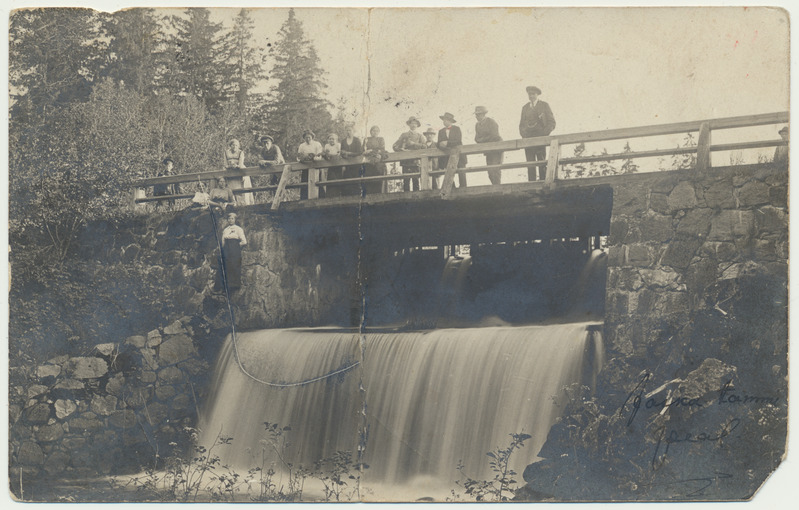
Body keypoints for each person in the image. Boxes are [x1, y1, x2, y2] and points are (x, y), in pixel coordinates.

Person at [519, 86, 556, 181]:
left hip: (540, 139)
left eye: (533, 94)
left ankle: (543, 182)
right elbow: (521, 125)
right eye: (529, 94)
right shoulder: (525, 108)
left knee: (541, 162)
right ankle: (531, 184)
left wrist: (544, 135)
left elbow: (552, 122)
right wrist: (524, 135)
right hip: (528, 140)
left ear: (537, 95)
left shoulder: (544, 105)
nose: (531, 96)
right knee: (530, 164)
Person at [393, 116, 427, 192]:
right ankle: (406, 199)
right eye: (412, 123)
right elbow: (394, 146)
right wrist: (400, 149)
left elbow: (425, 146)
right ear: (409, 124)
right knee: (406, 181)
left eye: (415, 123)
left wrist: (414, 144)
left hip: (416, 161)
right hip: (406, 161)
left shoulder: (420, 136)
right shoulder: (404, 135)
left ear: (417, 125)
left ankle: (417, 197)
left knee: (416, 181)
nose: (413, 125)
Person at [217, 212, 247, 292]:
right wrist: (224, 249)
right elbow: (223, 242)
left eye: (232, 218)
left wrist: (236, 246)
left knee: (234, 265)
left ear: (235, 220)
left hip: (235, 250)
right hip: (226, 250)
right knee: (226, 266)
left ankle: (234, 286)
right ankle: (225, 286)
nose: (230, 220)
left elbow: (244, 242)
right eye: (229, 218)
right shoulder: (225, 230)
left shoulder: (238, 229)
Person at [474, 106, 504, 185]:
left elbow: (494, 136)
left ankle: (498, 189)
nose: (477, 116)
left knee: (495, 170)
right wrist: (484, 139)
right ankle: (494, 187)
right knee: (490, 172)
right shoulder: (477, 125)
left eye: (479, 114)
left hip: (496, 150)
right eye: (476, 115)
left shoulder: (491, 122)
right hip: (488, 151)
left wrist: (482, 139)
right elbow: (476, 138)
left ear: (484, 114)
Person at [437, 112, 468, 188]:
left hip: (458, 154)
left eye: (446, 120)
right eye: (443, 120)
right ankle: (452, 187)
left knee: (461, 170)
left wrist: (447, 143)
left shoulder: (457, 129)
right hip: (446, 155)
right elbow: (438, 143)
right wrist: (442, 145)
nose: (444, 121)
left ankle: (463, 187)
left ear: (450, 121)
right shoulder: (441, 131)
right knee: (448, 171)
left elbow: (458, 141)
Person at [224, 138, 253, 205]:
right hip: (230, 171)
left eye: (236, 145)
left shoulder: (240, 152)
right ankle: (233, 204)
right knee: (231, 189)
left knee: (242, 188)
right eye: (233, 145)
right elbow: (225, 164)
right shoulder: (226, 152)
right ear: (230, 146)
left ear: (238, 146)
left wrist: (236, 166)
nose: (234, 147)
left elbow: (240, 164)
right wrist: (229, 166)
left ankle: (244, 204)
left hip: (239, 171)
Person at [297, 130, 324, 199]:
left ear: (312, 137)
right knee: (305, 183)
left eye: (309, 137)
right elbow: (298, 157)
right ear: (304, 138)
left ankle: (320, 199)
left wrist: (313, 157)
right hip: (306, 167)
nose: (308, 139)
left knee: (318, 182)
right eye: (306, 137)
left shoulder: (317, 144)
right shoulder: (302, 146)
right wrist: (302, 159)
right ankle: (304, 199)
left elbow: (319, 156)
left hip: (316, 166)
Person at [363, 125, 388, 195]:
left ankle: (379, 194)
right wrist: (368, 151)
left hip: (378, 162)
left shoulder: (381, 139)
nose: (375, 132)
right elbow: (363, 150)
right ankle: (369, 195)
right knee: (369, 179)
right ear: (371, 132)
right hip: (369, 161)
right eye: (373, 130)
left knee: (378, 178)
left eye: (377, 131)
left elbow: (382, 149)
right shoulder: (366, 139)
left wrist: (371, 150)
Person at [340, 125, 364, 196]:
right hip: (347, 164)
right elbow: (342, 152)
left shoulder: (356, 140)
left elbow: (360, 152)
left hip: (356, 164)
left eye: (350, 130)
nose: (348, 132)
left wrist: (349, 153)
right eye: (347, 130)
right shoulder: (343, 141)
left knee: (356, 180)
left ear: (353, 131)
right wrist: (343, 154)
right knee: (347, 180)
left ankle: (357, 197)